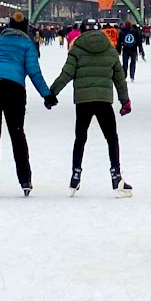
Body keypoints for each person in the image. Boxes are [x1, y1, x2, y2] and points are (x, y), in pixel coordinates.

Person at [46, 17, 132, 195]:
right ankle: (116, 176)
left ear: (82, 30)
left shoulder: (77, 49)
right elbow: (119, 78)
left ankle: (75, 176)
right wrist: (125, 101)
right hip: (103, 100)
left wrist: (51, 94)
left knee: (80, 138)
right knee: (111, 138)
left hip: (83, 101)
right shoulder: (110, 49)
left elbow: (66, 74)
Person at [0, 9, 51, 196]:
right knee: (17, 134)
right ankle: (25, 180)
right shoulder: (27, 44)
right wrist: (47, 95)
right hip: (12, 88)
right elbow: (34, 72)